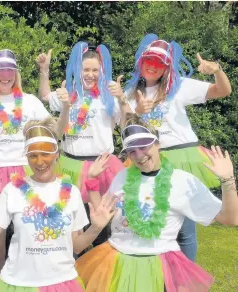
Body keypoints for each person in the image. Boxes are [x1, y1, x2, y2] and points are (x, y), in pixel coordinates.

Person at [75, 114, 238, 292]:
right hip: (115, 260)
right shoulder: (122, 176)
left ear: (157, 144)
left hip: (159, 264)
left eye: (144, 146)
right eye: (132, 150)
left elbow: (230, 219)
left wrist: (228, 181)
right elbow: (102, 212)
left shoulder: (182, 181)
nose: (139, 155)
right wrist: (91, 181)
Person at [0, 117, 118, 291]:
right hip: (19, 284)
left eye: (46, 154)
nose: (39, 162)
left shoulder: (72, 193)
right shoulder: (12, 190)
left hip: (62, 282)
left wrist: (96, 228)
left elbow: (76, 245)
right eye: (33, 155)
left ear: (57, 154)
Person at [0, 49, 69, 284]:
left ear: (16, 73)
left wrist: (66, 108)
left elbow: (56, 132)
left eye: (10, 69)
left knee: (36, 240)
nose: (5, 75)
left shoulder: (29, 101)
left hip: (27, 172)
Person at [124, 34, 232, 262]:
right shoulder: (129, 93)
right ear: (141, 62)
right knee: (159, 220)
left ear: (166, 68)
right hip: (147, 158)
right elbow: (127, 128)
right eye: (149, 61)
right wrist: (139, 112)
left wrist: (217, 70)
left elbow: (223, 91)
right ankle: (160, 270)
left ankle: (184, 281)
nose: (153, 67)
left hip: (181, 156)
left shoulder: (179, 86)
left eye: (159, 63)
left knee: (185, 228)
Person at [36, 43, 131, 246]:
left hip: (103, 166)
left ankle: (102, 269)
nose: (90, 75)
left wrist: (122, 100)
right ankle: (75, 268)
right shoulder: (69, 94)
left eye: (95, 70)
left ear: (102, 72)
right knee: (73, 221)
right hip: (72, 165)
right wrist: (44, 71)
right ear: (78, 71)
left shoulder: (109, 96)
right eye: (86, 70)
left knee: (106, 222)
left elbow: (126, 125)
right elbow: (45, 96)